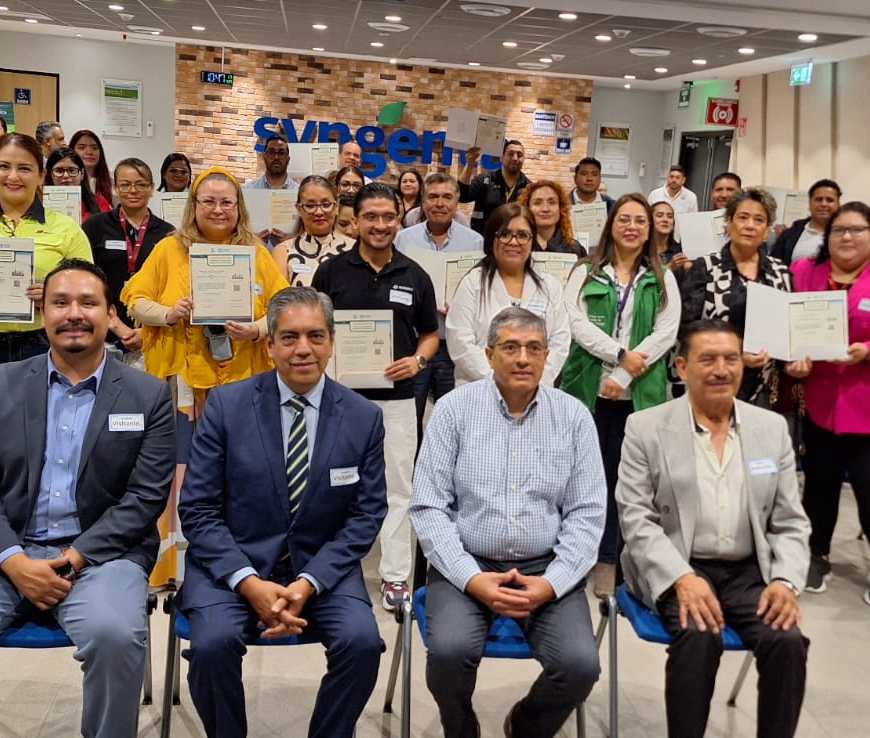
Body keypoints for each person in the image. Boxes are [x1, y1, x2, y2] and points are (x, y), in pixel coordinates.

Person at [178, 286, 387, 738]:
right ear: (270, 345)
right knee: (212, 646)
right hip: (232, 566)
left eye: (315, 336)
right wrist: (248, 582)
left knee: (362, 643)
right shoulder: (226, 407)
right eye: (289, 337)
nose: (303, 349)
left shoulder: (363, 417)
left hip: (321, 569)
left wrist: (309, 582)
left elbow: (366, 516)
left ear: (332, 342)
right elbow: (197, 509)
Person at [411, 306, 606, 738]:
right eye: (510, 347)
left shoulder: (574, 417)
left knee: (579, 665)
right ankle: (462, 730)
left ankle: (526, 725)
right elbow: (428, 507)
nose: (522, 359)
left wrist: (552, 583)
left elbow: (587, 514)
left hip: (546, 565)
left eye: (534, 348)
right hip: (468, 562)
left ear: (547, 356)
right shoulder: (453, 410)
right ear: (489, 354)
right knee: (448, 653)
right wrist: (470, 578)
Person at [0, 259, 175, 738]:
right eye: (60, 302)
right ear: (42, 313)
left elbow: (145, 498)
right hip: (9, 548)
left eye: (88, 302)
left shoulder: (147, 395)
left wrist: (73, 559)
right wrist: (14, 560)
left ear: (110, 313)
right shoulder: (3, 384)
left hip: (102, 555)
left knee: (116, 636)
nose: (74, 313)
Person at [616, 318, 810, 738]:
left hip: (749, 570)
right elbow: (635, 518)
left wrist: (785, 581)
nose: (722, 369)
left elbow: (790, 520)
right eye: (708, 359)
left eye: (731, 359)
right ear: (682, 367)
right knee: (698, 635)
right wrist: (681, 578)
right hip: (677, 562)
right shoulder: (646, 427)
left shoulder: (770, 428)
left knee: (787, 640)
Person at [312, 182, 439, 611]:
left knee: (398, 488)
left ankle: (395, 577)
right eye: (371, 217)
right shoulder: (332, 273)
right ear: (355, 221)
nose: (380, 225)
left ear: (399, 219)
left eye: (388, 216)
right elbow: (315, 327)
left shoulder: (414, 275)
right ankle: (325, 572)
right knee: (330, 484)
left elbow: (431, 334)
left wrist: (417, 361)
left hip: (398, 399)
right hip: (338, 399)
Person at [561, 193, 680, 597]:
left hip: (637, 398)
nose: (632, 227)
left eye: (640, 221)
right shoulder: (586, 271)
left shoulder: (661, 276)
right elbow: (575, 321)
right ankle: (579, 556)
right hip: (588, 391)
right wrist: (617, 356)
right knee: (584, 479)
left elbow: (666, 332)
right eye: (624, 219)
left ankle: (613, 560)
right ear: (611, 225)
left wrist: (626, 374)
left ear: (650, 230)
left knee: (626, 482)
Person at [121, 166, 288, 411]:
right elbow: (136, 301)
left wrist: (256, 329)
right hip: (183, 379)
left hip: (245, 373)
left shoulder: (256, 252)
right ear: (194, 205)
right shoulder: (169, 249)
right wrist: (169, 314)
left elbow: (283, 307)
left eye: (226, 202)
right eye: (209, 201)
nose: (218, 210)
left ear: (238, 207)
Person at [787, 202, 870, 603]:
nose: (847, 237)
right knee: (819, 485)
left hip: (865, 405)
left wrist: (868, 350)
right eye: (839, 230)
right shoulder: (804, 273)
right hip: (819, 401)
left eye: (857, 230)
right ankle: (816, 554)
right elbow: (787, 326)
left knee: (868, 487)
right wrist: (792, 359)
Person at [395, 172, 483, 447]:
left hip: (454, 345)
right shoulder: (404, 240)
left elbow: (478, 291)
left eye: (447, 197)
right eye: (433, 197)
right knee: (410, 419)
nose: (440, 203)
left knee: (453, 419)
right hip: (416, 344)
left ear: (457, 201)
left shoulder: (474, 242)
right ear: (423, 202)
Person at [680, 188, 791, 407]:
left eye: (759, 220)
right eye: (743, 217)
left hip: (763, 384)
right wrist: (736, 355)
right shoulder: (705, 267)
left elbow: (788, 328)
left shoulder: (780, 272)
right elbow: (686, 328)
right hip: (712, 377)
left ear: (767, 229)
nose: (750, 225)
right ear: (728, 223)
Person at [446, 203, 570, 387]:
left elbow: (559, 342)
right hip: (480, 388)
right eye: (504, 234)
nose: (513, 242)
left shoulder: (550, 287)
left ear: (532, 240)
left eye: (522, 235)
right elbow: (460, 343)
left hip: (536, 390)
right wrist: (503, 381)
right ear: (492, 238)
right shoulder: (472, 283)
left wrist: (534, 381)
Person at [0, 133, 92, 364]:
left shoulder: (66, 228)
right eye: (3, 167)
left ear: (41, 175)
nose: (13, 176)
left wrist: (55, 296)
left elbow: (90, 292)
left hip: (44, 342)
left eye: (24, 168)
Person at [83, 158, 174, 357]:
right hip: (102, 331)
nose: (133, 191)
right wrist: (114, 324)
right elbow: (85, 279)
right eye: (125, 185)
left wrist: (146, 332)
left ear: (151, 189)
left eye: (141, 184)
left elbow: (169, 288)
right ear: (115, 188)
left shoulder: (167, 233)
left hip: (152, 332)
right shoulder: (95, 226)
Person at [272, 175, 354, 287]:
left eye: (326, 205)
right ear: (299, 209)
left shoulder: (354, 248)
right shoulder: (284, 251)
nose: (319, 212)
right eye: (310, 206)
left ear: (336, 207)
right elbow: (280, 296)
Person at [459, 139, 530, 234]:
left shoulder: (528, 187)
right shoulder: (484, 180)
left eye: (519, 155)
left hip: (513, 240)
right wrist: (470, 163)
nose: (515, 158)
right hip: (483, 240)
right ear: (501, 157)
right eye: (510, 154)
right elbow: (461, 196)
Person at [772, 178, 842, 266]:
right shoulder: (789, 235)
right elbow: (773, 266)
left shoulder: (846, 234)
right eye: (818, 199)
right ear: (809, 203)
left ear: (838, 204)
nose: (823, 204)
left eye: (829, 200)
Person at [44, 147, 112, 223]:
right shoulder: (40, 204)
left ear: (82, 174)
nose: (66, 175)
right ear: (49, 175)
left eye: (72, 170)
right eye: (59, 171)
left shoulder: (99, 202)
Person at [520, 179, 587, 255]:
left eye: (552, 202)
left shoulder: (575, 250)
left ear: (561, 208)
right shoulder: (518, 246)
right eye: (537, 203)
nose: (545, 209)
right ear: (527, 208)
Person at [70, 129, 113, 206]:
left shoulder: (112, 183)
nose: (89, 152)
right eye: (82, 148)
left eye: (94, 148)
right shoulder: (65, 180)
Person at [651, 200, 687, 269]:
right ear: (649, 220)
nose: (665, 220)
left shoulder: (681, 251)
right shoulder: (641, 250)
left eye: (670, 216)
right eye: (659, 216)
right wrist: (669, 268)